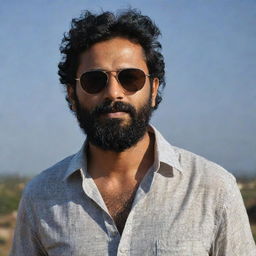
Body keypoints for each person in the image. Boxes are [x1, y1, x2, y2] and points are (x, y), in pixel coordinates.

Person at [10, 9, 256, 256]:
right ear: (72, 94)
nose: (113, 92)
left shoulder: (213, 189)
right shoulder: (40, 197)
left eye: (130, 78)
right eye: (95, 80)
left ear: (153, 90)